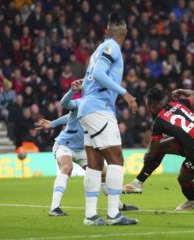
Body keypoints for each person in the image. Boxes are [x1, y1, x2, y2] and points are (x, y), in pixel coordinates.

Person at [36, 80, 138, 217]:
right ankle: (54, 208)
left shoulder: (98, 107)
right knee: (67, 167)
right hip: (65, 144)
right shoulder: (79, 102)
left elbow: (70, 116)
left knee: (104, 173)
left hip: (83, 148)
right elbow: (65, 104)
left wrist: (53, 123)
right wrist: (72, 91)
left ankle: (118, 206)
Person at [77, 12, 138, 226]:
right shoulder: (112, 47)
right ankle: (114, 214)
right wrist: (125, 93)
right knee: (116, 160)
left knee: (94, 164)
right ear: (125, 32)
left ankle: (91, 215)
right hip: (99, 108)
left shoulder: (97, 51)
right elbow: (101, 75)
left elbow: (88, 81)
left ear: (106, 30)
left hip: (86, 108)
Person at [123, 87, 194, 211]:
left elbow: (153, 150)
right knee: (162, 147)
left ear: (153, 104)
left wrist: (148, 156)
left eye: (148, 104)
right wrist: (182, 90)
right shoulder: (178, 104)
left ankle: (192, 201)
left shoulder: (159, 122)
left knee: (182, 178)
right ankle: (137, 183)